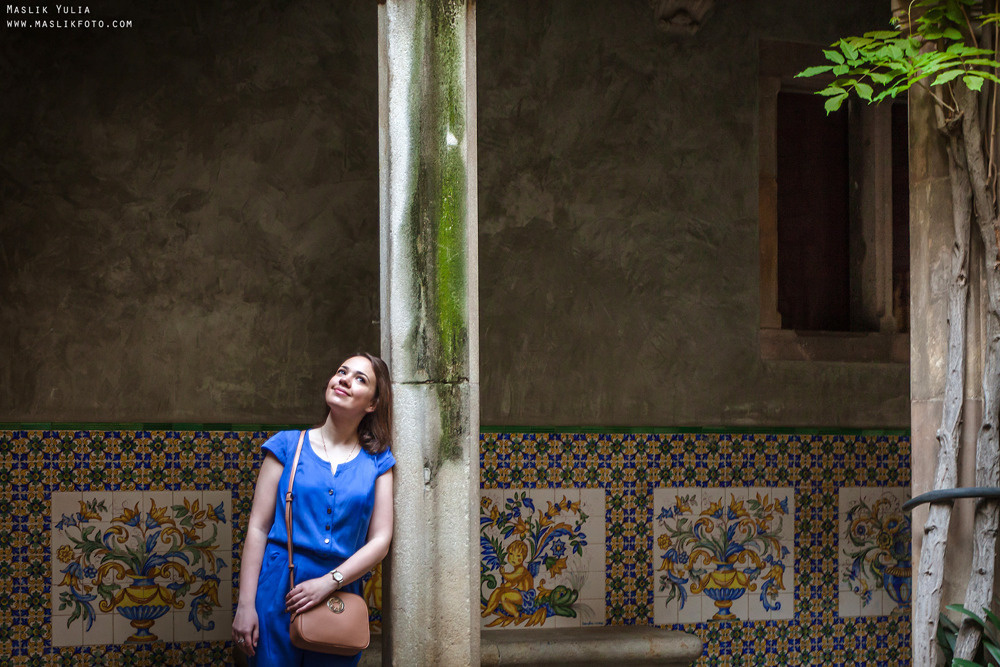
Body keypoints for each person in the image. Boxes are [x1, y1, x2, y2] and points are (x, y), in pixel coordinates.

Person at [232, 353, 395, 666]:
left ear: (373, 403)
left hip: (339, 594)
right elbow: (258, 528)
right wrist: (245, 604)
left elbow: (380, 540)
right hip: (279, 587)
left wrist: (329, 581)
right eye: (341, 372)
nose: (345, 379)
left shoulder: (378, 463)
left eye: (360, 379)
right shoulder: (287, 446)